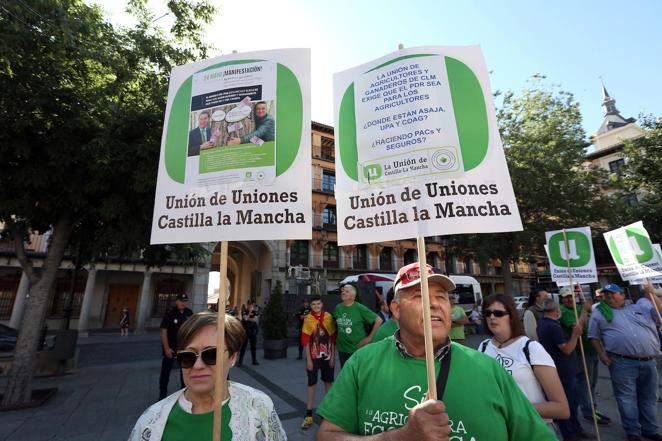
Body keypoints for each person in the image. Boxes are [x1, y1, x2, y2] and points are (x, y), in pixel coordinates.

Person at [316, 262, 556, 441]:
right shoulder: (362, 363)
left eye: (441, 296)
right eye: (420, 296)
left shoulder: (488, 368)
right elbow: (326, 436)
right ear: (396, 309)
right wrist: (400, 437)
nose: (435, 304)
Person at [130, 312, 286, 441]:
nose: (197, 365)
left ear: (232, 358)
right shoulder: (150, 422)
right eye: (188, 357)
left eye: (211, 354)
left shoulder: (259, 406)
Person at [479, 294, 569, 435]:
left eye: (498, 313)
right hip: (499, 431)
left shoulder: (530, 348)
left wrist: (511, 409)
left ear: (511, 316)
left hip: (532, 430)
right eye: (487, 313)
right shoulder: (483, 347)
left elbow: (562, 409)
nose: (492, 317)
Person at [588, 283, 662, 441]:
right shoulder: (599, 313)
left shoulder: (641, 306)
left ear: (623, 295)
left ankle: (649, 429)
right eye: (606, 294)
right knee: (626, 399)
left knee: (649, 397)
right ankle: (633, 431)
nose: (609, 296)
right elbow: (593, 336)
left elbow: (660, 316)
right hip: (621, 362)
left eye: (613, 293)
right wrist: (602, 354)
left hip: (649, 361)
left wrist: (652, 295)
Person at [537, 299, 594, 441]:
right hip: (564, 371)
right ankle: (570, 434)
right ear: (557, 311)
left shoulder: (543, 323)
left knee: (572, 403)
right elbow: (567, 349)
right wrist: (575, 335)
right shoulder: (553, 326)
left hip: (563, 369)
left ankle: (576, 429)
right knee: (568, 404)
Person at [558, 287, 611, 426]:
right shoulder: (563, 311)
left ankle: (592, 408)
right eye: (566, 297)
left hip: (592, 351)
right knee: (585, 383)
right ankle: (588, 412)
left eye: (571, 296)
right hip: (581, 353)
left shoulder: (582, 306)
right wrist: (584, 311)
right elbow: (579, 328)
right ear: (562, 299)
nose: (569, 299)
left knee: (592, 382)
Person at [300, 296, 336, 430]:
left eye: (318, 304)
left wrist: (333, 357)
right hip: (313, 357)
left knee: (328, 383)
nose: (316, 306)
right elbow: (305, 341)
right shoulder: (308, 319)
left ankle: (330, 413)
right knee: (311, 384)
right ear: (311, 306)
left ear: (322, 304)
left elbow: (333, 339)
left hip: (327, 357)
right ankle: (308, 414)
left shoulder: (328, 317)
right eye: (313, 304)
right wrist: (308, 360)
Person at [333, 284, 382, 367]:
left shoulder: (359, 308)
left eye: (347, 291)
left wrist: (369, 338)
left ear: (353, 297)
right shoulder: (338, 307)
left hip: (356, 349)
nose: (343, 292)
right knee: (346, 374)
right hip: (342, 348)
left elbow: (379, 320)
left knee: (356, 375)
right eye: (343, 290)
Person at [159, 293, 193, 400]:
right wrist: (166, 348)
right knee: (165, 372)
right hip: (171, 348)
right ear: (177, 301)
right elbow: (163, 330)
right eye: (181, 301)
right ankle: (162, 393)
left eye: (185, 301)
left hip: (184, 349)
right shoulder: (170, 313)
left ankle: (185, 393)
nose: (183, 303)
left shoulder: (189, 313)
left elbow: (193, 329)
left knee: (185, 371)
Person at [238, 300, 259, 366]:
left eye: (252, 305)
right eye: (249, 305)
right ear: (247, 305)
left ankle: (254, 360)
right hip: (246, 331)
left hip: (252, 331)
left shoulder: (255, 312)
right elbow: (245, 318)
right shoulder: (244, 311)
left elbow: (255, 319)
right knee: (243, 346)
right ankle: (240, 361)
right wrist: (249, 313)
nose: (251, 306)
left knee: (253, 346)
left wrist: (249, 318)